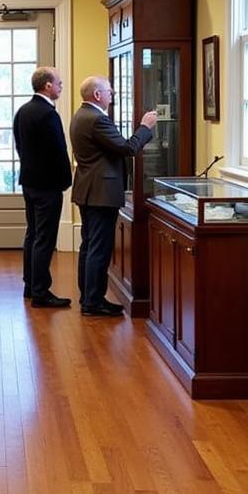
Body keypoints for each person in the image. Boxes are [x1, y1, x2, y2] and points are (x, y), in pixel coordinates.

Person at [70, 76, 157, 317]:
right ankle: (93, 302)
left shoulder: (81, 115)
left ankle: (89, 296)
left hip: (88, 190)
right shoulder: (97, 119)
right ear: (97, 95)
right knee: (98, 247)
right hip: (100, 193)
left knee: (89, 245)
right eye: (109, 91)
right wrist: (145, 127)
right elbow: (127, 148)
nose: (113, 93)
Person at [13, 66, 73, 308]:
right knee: (45, 239)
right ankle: (41, 292)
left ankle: (30, 284)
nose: (61, 86)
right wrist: (66, 180)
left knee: (33, 234)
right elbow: (59, 151)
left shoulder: (22, 111)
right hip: (47, 185)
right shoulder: (48, 114)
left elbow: (20, 146)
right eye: (58, 83)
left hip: (29, 182)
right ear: (47, 85)